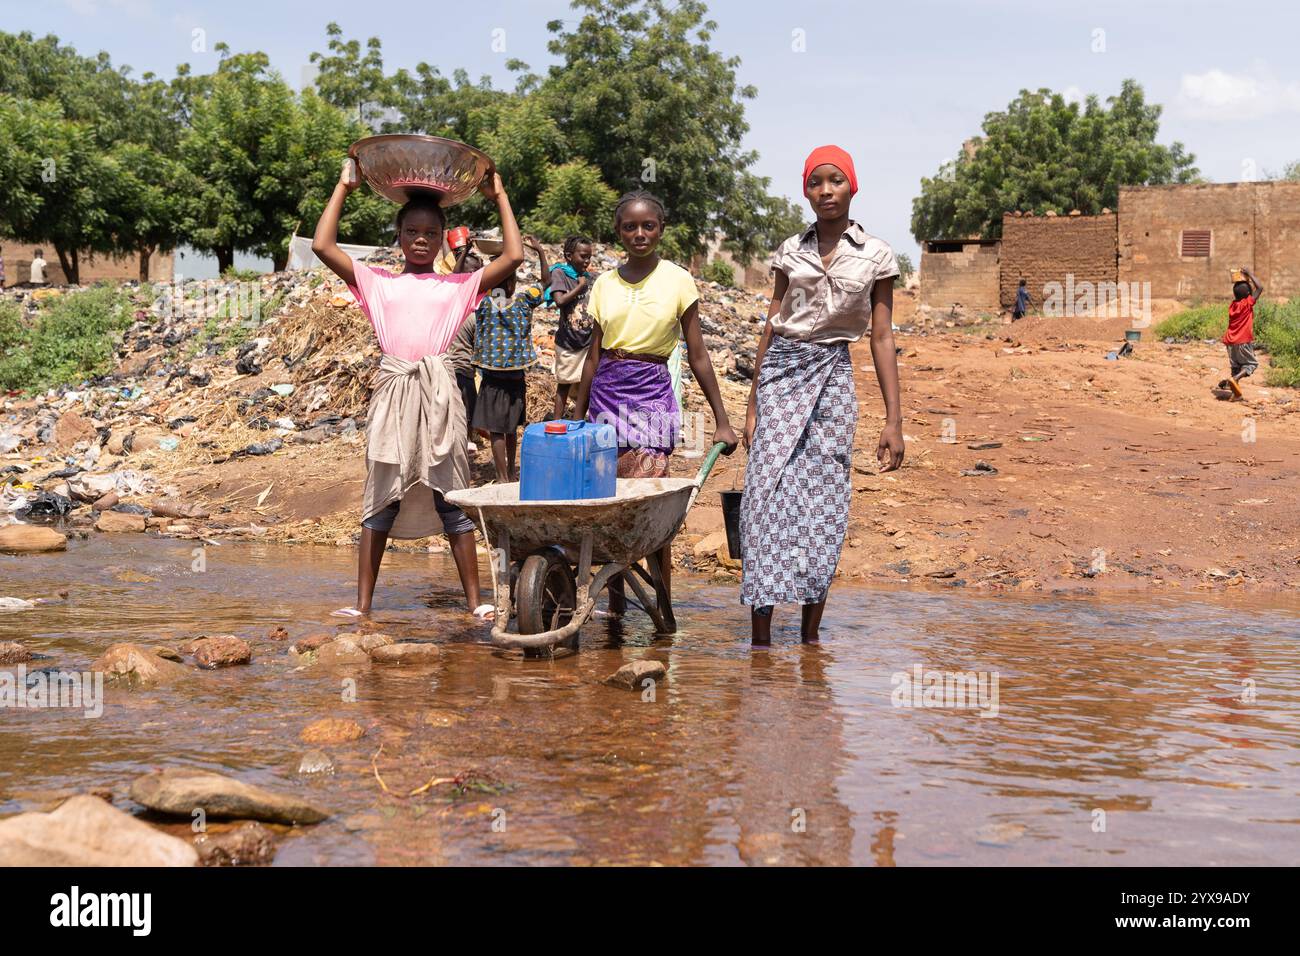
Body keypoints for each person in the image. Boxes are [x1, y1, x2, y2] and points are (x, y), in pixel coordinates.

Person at [311, 157, 525, 621]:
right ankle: (363, 605)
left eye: (431, 233)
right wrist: (343, 187)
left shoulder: (458, 286)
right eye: (412, 232)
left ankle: (475, 602)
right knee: (382, 494)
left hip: (440, 394)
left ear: (443, 239)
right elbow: (322, 245)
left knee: (451, 493)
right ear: (399, 237)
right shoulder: (377, 282)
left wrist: (500, 196)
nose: (421, 240)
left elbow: (513, 257)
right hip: (394, 394)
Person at [740, 145, 904, 646]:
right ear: (805, 190)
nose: (826, 191)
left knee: (823, 502)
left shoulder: (876, 255)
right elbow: (772, 322)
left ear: (852, 186)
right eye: (816, 182)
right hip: (781, 373)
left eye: (836, 181)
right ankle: (761, 641)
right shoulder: (790, 251)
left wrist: (894, 421)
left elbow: (881, 337)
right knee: (762, 499)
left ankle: (810, 637)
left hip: (834, 377)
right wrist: (751, 404)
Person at [573, 189, 738, 625]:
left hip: (650, 393)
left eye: (648, 226)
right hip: (606, 394)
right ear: (618, 232)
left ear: (661, 230)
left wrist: (722, 421)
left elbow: (698, 353)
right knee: (607, 504)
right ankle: (615, 606)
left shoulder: (678, 280)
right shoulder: (603, 285)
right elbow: (593, 356)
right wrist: (575, 418)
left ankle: (662, 599)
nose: (639, 233)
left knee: (650, 503)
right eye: (630, 226)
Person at [471, 235, 549, 483]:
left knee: (496, 429)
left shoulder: (483, 303)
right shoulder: (524, 301)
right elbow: (547, 282)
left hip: (492, 377)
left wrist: (464, 252)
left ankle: (502, 476)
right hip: (515, 375)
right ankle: (511, 472)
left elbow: (458, 281)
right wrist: (540, 252)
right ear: (514, 282)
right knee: (511, 427)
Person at [548, 235, 596, 419]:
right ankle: (556, 423)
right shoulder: (560, 274)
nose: (587, 261)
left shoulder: (588, 277)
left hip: (588, 341)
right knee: (564, 384)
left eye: (589, 257)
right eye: (582, 256)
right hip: (568, 342)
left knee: (587, 384)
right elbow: (559, 300)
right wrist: (579, 287)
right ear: (568, 256)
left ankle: (578, 421)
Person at [444, 245, 484, 453]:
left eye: (477, 272)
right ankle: (462, 439)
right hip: (453, 363)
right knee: (462, 403)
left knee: (468, 404)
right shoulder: (455, 294)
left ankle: (465, 437)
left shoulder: (477, 301)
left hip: (466, 364)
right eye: (470, 272)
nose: (473, 277)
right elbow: (454, 276)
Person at [1221, 268, 1263, 396]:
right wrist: (1250, 273)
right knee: (1251, 364)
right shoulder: (1247, 303)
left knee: (1236, 367)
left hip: (1230, 342)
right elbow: (1260, 288)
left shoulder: (1233, 305)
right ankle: (1234, 380)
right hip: (1242, 340)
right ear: (1249, 293)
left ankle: (1236, 393)